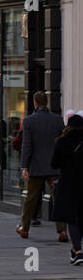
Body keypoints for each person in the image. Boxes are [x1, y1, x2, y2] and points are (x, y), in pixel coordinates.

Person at [19, 90, 66, 241]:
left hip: (36, 166)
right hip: (54, 166)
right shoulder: (58, 120)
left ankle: (24, 229)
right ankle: (62, 231)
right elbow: (62, 143)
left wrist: (24, 166)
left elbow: (27, 146)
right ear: (47, 102)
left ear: (35, 102)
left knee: (31, 199)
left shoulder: (29, 121)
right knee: (58, 198)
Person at [49, 114, 83, 266]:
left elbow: (54, 164)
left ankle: (77, 251)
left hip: (69, 183)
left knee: (72, 217)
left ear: (68, 126)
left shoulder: (61, 141)